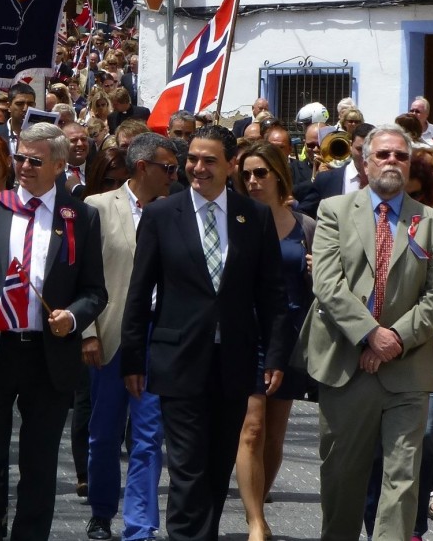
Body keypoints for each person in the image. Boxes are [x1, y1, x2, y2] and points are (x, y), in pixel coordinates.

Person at [0, 122, 107, 539]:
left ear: (59, 165)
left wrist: (74, 316)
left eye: (35, 160)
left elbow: (95, 291)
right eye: (21, 157)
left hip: (48, 356)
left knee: (39, 463)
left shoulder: (80, 216)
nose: (24, 167)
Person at [119, 125, 291, 541]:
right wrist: (132, 357)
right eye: (192, 159)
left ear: (231, 164)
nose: (197, 168)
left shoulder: (255, 217)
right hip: (178, 360)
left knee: (216, 469)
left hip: (234, 360)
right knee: (188, 469)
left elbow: (271, 294)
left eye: (209, 160)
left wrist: (276, 356)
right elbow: (139, 292)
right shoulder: (162, 214)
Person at [297, 123, 433, 540]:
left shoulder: (432, 223)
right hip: (346, 366)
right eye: (383, 155)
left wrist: (393, 340)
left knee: (402, 479)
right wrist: (370, 334)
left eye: (400, 156)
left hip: (406, 368)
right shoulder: (333, 211)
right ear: (365, 163)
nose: (391, 162)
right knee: (342, 478)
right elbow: (328, 284)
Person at [83, 134, 178, 541]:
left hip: (159, 334)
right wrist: (87, 332)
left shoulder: (177, 211)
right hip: (112, 333)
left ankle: (139, 525)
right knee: (104, 431)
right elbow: (83, 276)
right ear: (144, 168)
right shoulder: (98, 207)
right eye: (169, 168)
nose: (177, 175)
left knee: (148, 435)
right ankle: (102, 512)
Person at [234, 141, 316, 540]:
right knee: (252, 426)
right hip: (247, 332)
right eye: (246, 173)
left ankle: (259, 501)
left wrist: (317, 270)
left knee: (275, 432)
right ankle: (255, 523)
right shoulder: (235, 220)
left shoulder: (305, 226)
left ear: (278, 175)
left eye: (260, 173)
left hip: (292, 335)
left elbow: (321, 287)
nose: (252, 181)